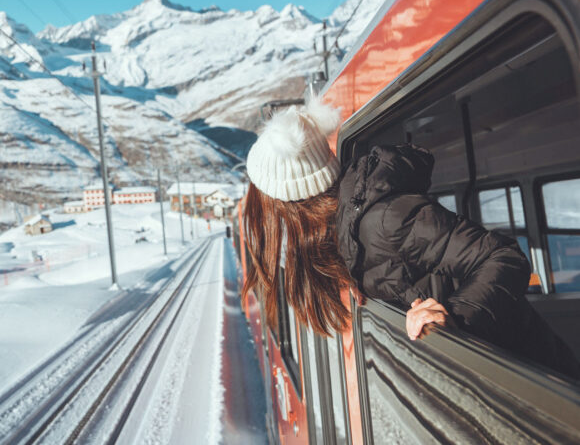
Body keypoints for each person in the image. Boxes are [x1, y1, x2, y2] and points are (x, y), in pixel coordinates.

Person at [242, 100, 579, 379]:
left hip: (536, 376)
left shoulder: (384, 220)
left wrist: (454, 319)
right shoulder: (347, 233)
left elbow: (503, 255)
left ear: (293, 208)